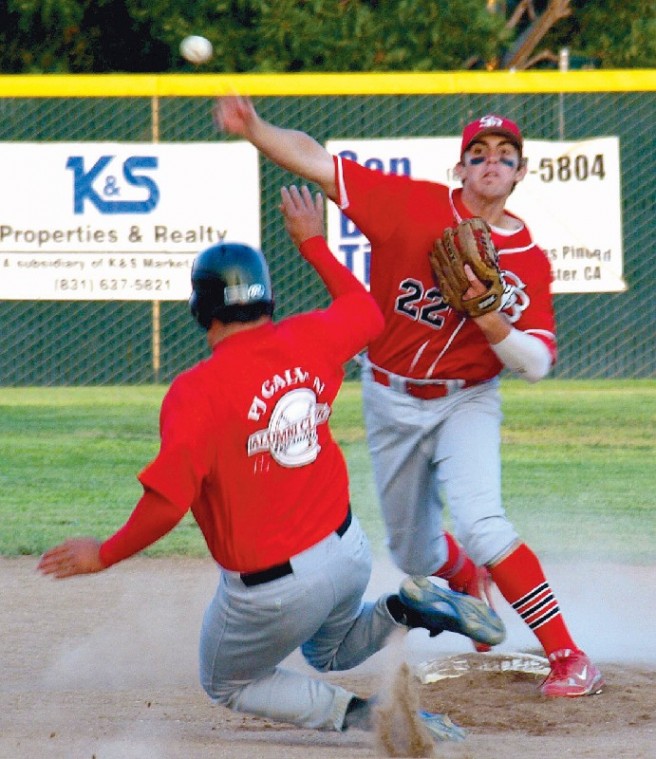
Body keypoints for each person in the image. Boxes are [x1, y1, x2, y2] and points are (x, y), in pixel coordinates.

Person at [37, 184, 505, 742]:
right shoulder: (313, 337)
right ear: (266, 297)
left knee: (228, 682)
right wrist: (312, 242)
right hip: (348, 551)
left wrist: (104, 554)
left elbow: (166, 505)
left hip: (272, 591)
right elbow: (366, 314)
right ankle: (407, 607)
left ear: (201, 307)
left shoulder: (195, 392)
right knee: (329, 650)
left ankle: (362, 714)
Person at [213, 97, 604, 698]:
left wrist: (491, 318)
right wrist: (254, 127)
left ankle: (569, 656)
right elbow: (315, 161)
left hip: (466, 401)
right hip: (388, 395)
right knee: (414, 552)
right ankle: (468, 580)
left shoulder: (530, 261)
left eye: (505, 156)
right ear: (461, 170)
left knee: (483, 521)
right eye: (478, 155)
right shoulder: (412, 205)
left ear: (522, 172)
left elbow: (538, 364)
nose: (491, 164)